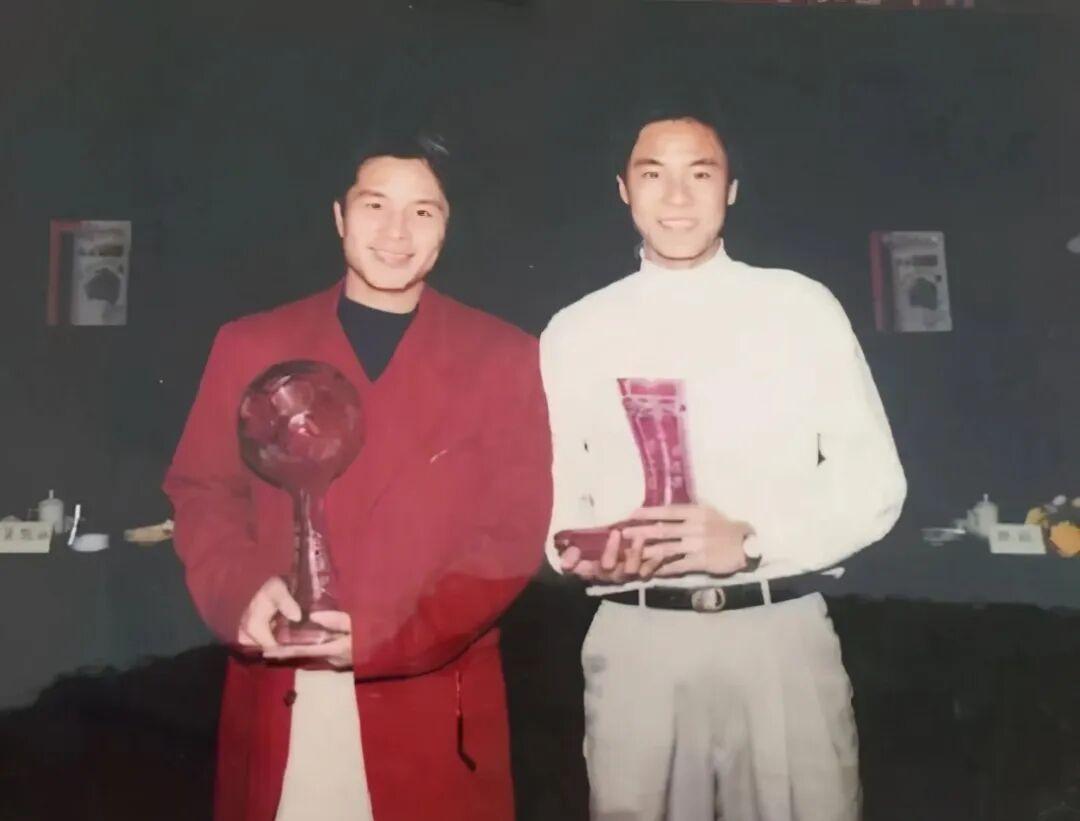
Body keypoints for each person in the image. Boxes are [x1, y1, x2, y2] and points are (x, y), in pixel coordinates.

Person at [164, 128, 552, 821]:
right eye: (375, 205)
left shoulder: (504, 356)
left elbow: (511, 537)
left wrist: (388, 634)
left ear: (447, 227)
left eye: (423, 211)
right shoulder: (251, 343)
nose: (397, 232)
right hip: (281, 695)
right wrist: (238, 591)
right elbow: (202, 490)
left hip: (431, 706)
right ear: (339, 216)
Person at [540, 94, 907, 821]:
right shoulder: (575, 330)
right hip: (638, 642)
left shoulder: (800, 308)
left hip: (778, 635)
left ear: (731, 189)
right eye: (653, 174)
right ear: (623, 189)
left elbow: (875, 484)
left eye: (700, 174)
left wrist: (751, 541)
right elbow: (557, 501)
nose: (676, 197)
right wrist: (579, 552)